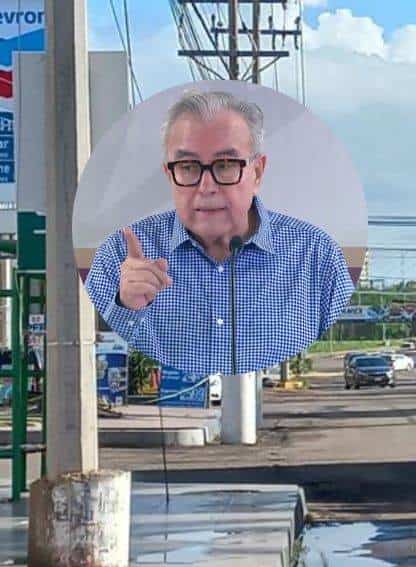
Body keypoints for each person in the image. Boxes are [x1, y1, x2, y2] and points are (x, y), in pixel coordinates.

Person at [85, 89, 353, 376]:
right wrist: (127, 307)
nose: (206, 187)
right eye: (188, 167)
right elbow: (97, 359)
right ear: (169, 174)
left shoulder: (317, 258)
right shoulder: (118, 257)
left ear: (257, 172)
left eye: (225, 166)